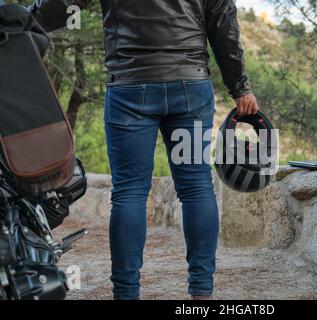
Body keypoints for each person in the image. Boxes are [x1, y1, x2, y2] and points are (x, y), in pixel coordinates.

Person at [28, 0, 259, 300]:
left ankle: (126, 294)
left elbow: (62, 4)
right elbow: (222, 24)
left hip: (130, 88)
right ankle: (202, 293)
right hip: (189, 87)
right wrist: (240, 86)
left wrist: (23, 19)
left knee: (129, 193)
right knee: (196, 188)